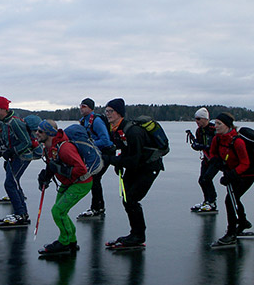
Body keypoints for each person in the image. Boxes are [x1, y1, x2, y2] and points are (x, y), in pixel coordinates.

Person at [103, 98, 162, 248]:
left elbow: (133, 160)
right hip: (137, 167)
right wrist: (118, 162)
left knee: (131, 199)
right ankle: (135, 233)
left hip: (149, 167)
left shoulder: (133, 131)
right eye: (106, 111)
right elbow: (126, 153)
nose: (108, 114)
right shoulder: (117, 129)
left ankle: (138, 236)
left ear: (119, 113)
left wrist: (112, 160)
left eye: (111, 111)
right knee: (127, 199)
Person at [35, 120, 92, 254]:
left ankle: (64, 242)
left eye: (40, 131)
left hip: (81, 183)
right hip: (68, 183)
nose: (36, 133)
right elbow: (52, 164)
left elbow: (81, 169)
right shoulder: (49, 147)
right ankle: (71, 241)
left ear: (49, 133)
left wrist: (62, 170)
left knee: (58, 211)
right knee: (61, 212)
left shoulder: (65, 148)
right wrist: (46, 177)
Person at [208, 112, 254, 247]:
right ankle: (242, 222)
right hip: (232, 174)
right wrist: (216, 161)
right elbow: (212, 153)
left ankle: (231, 233)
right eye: (215, 123)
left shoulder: (238, 141)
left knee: (230, 200)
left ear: (228, 125)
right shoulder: (218, 139)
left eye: (219, 124)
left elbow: (245, 163)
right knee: (234, 198)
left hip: (246, 176)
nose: (215, 126)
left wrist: (231, 175)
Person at [0, 96, 36, 227]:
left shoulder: (15, 122)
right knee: (13, 183)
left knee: (10, 184)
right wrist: (0, 152)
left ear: (3, 109)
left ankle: (21, 214)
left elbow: (27, 142)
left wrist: (13, 151)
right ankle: (21, 213)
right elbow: (5, 141)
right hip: (15, 157)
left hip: (23, 157)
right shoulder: (0, 122)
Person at [76, 98, 114, 219]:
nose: (81, 108)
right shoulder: (83, 121)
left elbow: (106, 141)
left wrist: (88, 145)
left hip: (106, 153)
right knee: (94, 178)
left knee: (95, 177)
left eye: (84, 106)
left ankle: (97, 208)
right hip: (96, 153)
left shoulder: (96, 121)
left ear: (91, 108)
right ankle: (99, 207)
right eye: (80, 106)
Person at [189, 107, 219, 213]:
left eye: (198, 119)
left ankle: (212, 202)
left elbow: (214, 144)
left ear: (205, 119)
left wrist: (203, 145)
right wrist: (196, 145)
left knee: (207, 179)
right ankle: (206, 201)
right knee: (201, 180)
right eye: (195, 119)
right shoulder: (199, 131)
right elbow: (199, 143)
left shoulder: (213, 129)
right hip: (206, 159)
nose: (196, 122)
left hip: (215, 159)